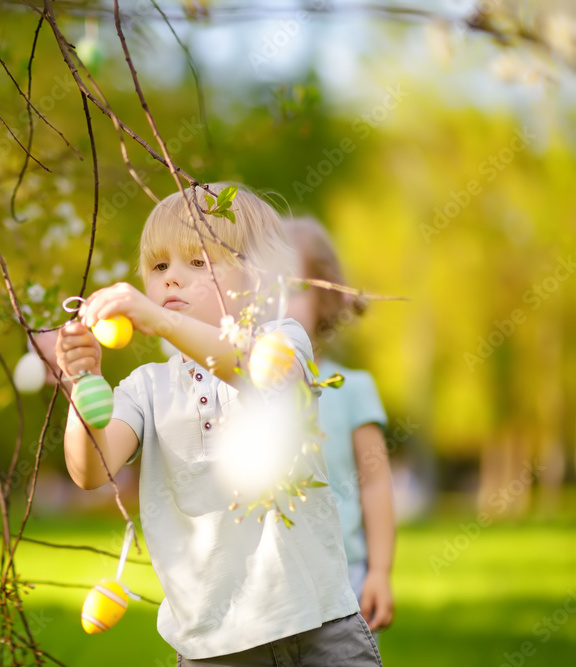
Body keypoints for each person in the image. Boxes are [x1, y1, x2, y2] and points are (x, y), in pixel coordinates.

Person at [56, 184, 382, 665]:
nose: (172, 280)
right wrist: (83, 381)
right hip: (214, 644)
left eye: (197, 262)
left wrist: (159, 323)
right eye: (160, 266)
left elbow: (257, 371)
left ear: (257, 277)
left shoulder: (282, 340)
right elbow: (90, 470)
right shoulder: (148, 387)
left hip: (319, 625)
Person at [284, 216, 396, 634]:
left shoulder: (352, 389)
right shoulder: (239, 391)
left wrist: (379, 572)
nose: (276, 303)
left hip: (342, 582)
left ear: (324, 300)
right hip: (268, 589)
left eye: (291, 287)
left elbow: (375, 483)